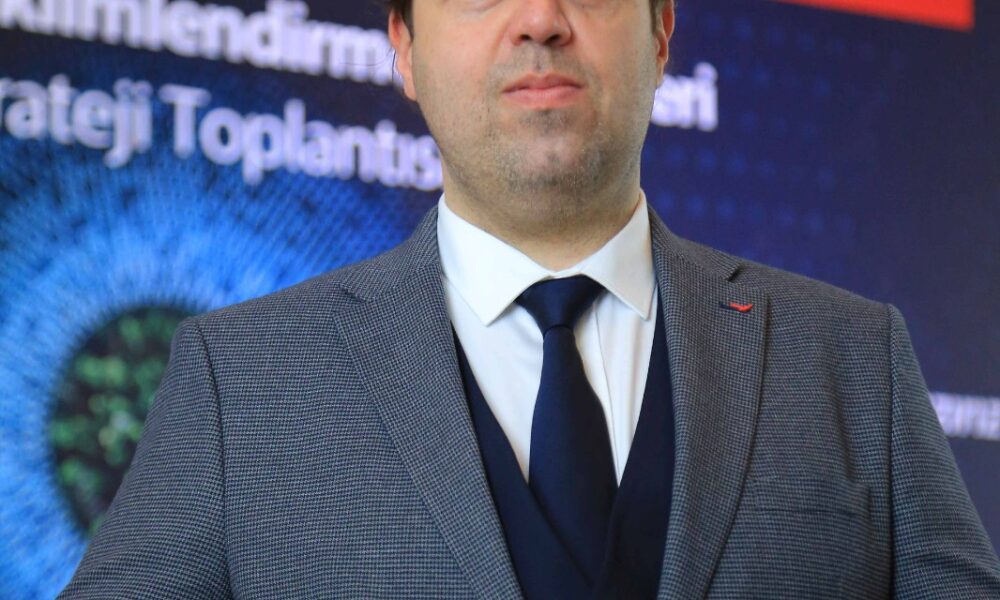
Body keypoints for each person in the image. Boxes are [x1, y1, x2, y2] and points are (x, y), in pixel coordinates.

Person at [60, 0, 1000, 597]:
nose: (541, 20)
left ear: (661, 33)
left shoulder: (851, 357)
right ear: (404, 50)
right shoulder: (240, 383)